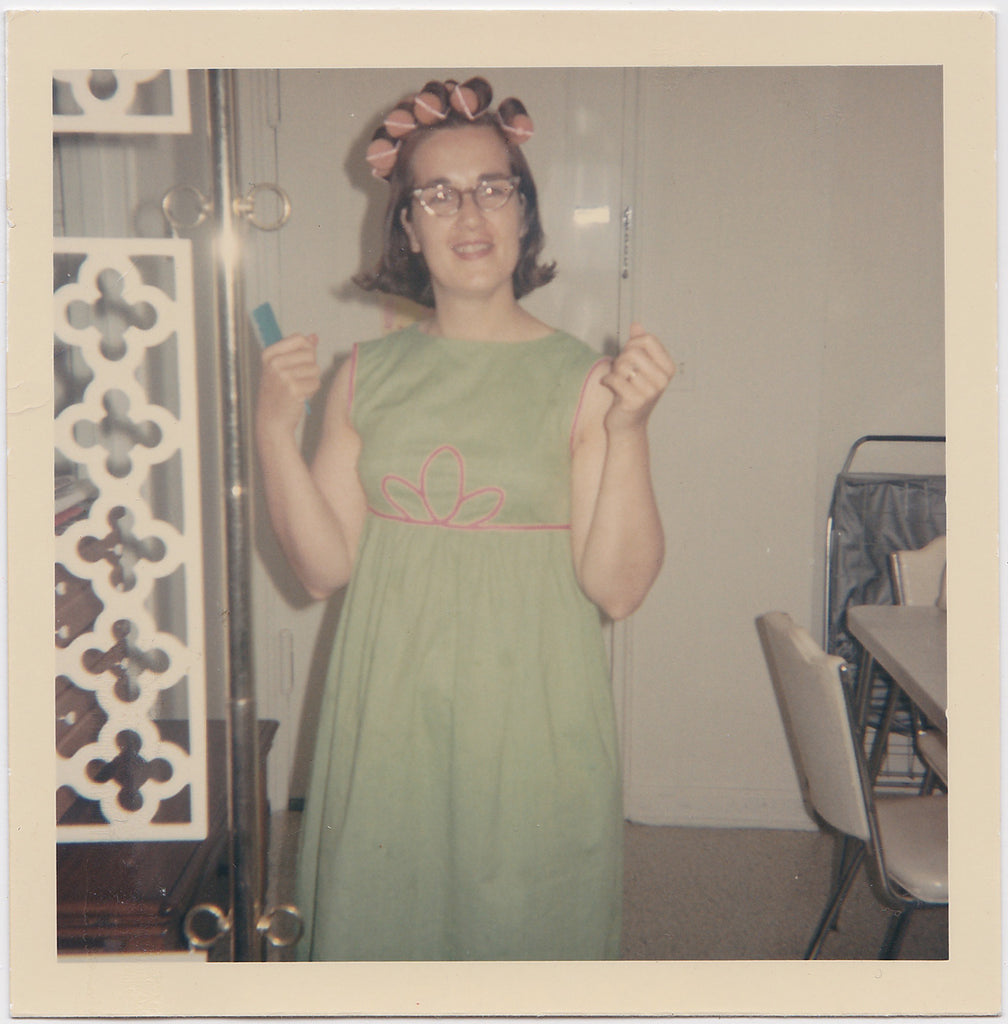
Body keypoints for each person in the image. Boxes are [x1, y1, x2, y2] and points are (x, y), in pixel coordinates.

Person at [254, 76, 675, 961]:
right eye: (437, 195)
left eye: (493, 187)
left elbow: (620, 588)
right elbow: (323, 567)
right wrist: (270, 433)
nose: (468, 213)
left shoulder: (587, 382)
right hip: (389, 718)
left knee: (523, 935)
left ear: (526, 215)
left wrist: (628, 430)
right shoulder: (365, 374)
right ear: (406, 226)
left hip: (532, 720)